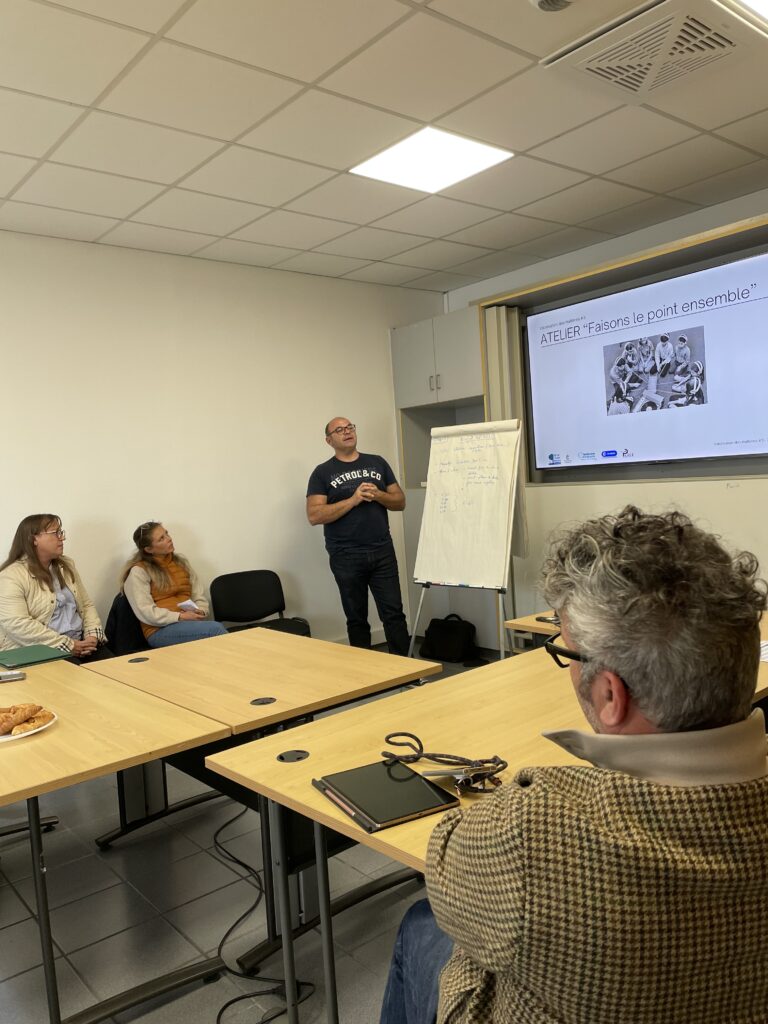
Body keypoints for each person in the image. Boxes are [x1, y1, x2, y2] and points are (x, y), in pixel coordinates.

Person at [381, 506, 768, 1024]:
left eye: (566, 653)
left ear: (610, 695)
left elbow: (445, 869)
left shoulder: (530, 830)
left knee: (420, 923)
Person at [306, 418, 410, 655]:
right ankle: (363, 671)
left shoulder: (377, 463)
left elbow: (400, 502)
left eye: (350, 427)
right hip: (346, 555)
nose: (347, 432)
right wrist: (353, 500)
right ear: (329, 440)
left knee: (393, 614)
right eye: (339, 430)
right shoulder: (322, 473)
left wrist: (379, 495)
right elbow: (314, 515)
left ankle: (408, 668)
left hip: (382, 550)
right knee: (356, 618)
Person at [0, 514, 111, 663]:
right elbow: (18, 624)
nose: (62, 538)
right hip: (41, 650)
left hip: (80, 643)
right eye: (55, 533)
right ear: (34, 539)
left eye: (61, 532)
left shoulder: (67, 565)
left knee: (119, 669)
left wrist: (92, 636)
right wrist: (69, 645)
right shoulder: (10, 576)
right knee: (80, 676)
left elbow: (86, 604)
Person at [122, 522, 227, 648]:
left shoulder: (181, 562)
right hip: (159, 630)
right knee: (215, 629)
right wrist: (180, 617)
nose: (169, 539)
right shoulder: (139, 571)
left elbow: (198, 595)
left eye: (166, 533)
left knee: (215, 631)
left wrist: (201, 611)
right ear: (149, 549)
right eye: (161, 538)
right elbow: (146, 612)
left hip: (188, 622)